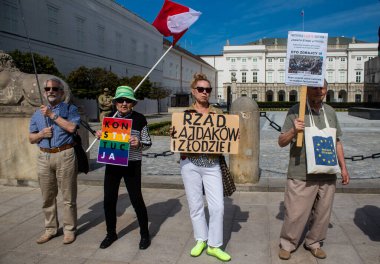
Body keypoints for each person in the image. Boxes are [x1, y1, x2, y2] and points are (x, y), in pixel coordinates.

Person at [278, 80, 350, 260]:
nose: (319, 91)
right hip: (301, 172)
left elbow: (337, 141)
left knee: (322, 213)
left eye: (322, 87)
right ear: (306, 90)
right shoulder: (296, 111)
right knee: (295, 213)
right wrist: (293, 131)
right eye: (314, 87)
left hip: (327, 171)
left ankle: (314, 242)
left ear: (326, 90)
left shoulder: (331, 112)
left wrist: (344, 167)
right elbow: (281, 141)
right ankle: (288, 243)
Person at [172, 73, 231, 262]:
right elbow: (178, 139)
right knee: (195, 205)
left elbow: (226, 138)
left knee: (218, 207)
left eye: (208, 89)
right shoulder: (185, 115)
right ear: (193, 91)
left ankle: (214, 245)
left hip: (212, 164)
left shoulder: (218, 114)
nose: (205, 92)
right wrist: (175, 135)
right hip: (189, 164)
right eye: (201, 89)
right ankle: (201, 239)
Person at [97, 86, 152, 250]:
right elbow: (108, 141)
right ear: (115, 102)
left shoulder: (140, 119)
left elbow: (148, 142)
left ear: (132, 103)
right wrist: (101, 135)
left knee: (136, 200)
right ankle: (111, 233)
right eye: (120, 100)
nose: (124, 103)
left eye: (127, 100)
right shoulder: (109, 117)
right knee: (109, 200)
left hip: (132, 165)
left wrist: (139, 143)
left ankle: (144, 234)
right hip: (113, 164)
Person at [29, 78, 80, 245]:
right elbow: (31, 138)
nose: (51, 91)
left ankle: (69, 230)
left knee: (68, 196)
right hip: (44, 156)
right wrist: (41, 135)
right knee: (47, 197)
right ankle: (50, 229)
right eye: (48, 89)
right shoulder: (37, 113)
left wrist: (52, 115)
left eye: (55, 89)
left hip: (65, 154)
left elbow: (72, 127)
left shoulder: (70, 109)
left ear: (61, 92)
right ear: (44, 92)